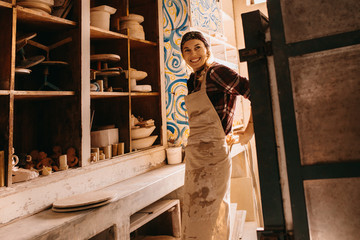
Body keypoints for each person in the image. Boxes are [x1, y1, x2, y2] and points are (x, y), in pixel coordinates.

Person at [180, 31, 251, 240]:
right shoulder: (192, 81)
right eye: (187, 50)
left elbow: (254, 91)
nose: (193, 54)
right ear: (183, 55)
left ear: (207, 49)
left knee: (215, 214)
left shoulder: (216, 72)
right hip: (194, 156)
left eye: (197, 47)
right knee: (193, 215)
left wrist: (248, 132)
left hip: (214, 157)